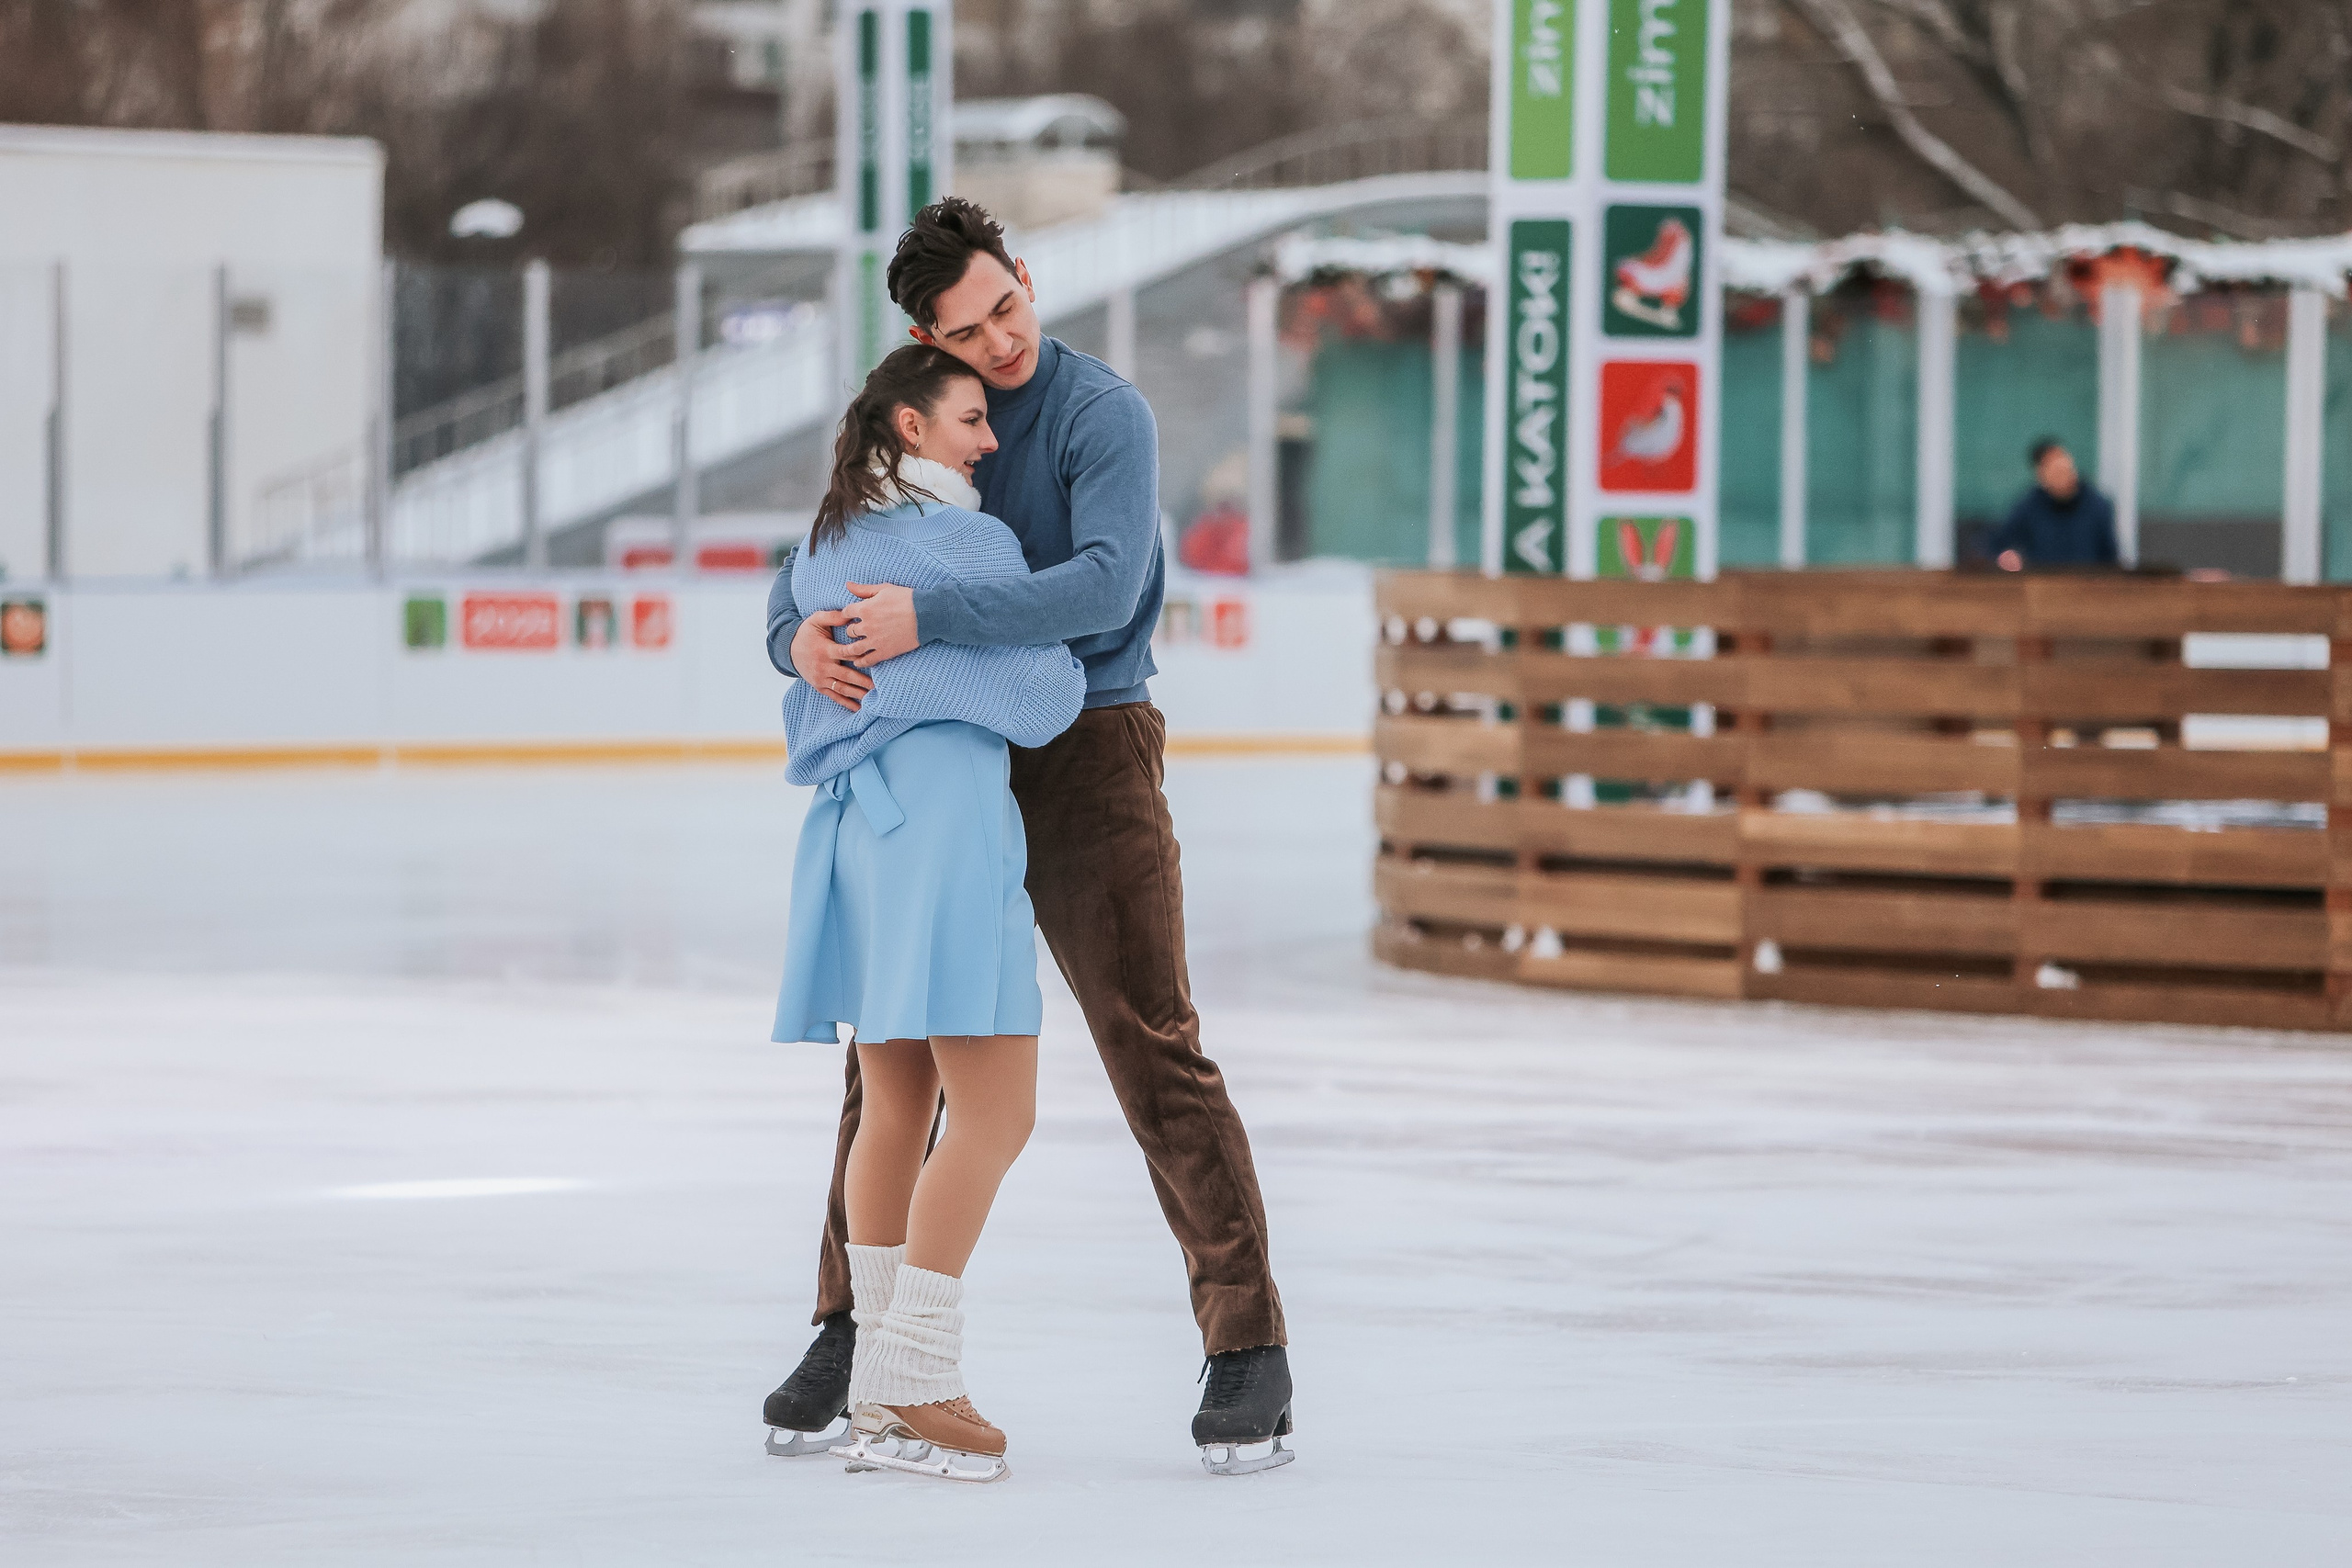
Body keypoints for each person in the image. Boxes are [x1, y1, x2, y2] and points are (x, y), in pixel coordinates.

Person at [761, 197, 1295, 1478]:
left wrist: (930, 617)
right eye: (968, 331)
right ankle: (854, 1332)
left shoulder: (1103, 413)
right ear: (924, 342)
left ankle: (1246, 1343)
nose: (1001, 343)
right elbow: (815, 562)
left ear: (1025, 278)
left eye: (1008, 307)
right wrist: (794, 639)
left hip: (1087, 749)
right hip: (946, 754)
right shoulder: (921, 414)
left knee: (1148, 1037)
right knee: (889, 1067)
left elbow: (1105, 587)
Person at [769, 344, 1088, 1483]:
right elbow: (1047, 694)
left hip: (865, 839)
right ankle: (915, 1377)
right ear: (911, 428)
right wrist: (982, 658)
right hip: (946, 835)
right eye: (969, 419)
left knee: (895, 1107)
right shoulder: (968, 543)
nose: (988, 440)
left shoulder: (829, 543)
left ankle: (876, 1383)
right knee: (997, 1115)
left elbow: (829, 665)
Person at [1989, 438, 2119, 570]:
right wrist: (2009, 557)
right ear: (2040, 475)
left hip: (2088, 579)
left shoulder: (2098, 505)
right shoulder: (2028, 507)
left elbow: (2110, 558)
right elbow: (1997, 546)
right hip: (2041, 579)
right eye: (2051, 467)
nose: (2060, 471)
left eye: (2063, 464)